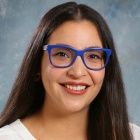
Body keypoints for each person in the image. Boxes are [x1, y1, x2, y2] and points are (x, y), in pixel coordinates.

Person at [0, 1, 140, 140]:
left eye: (93, 56)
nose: (78, 72)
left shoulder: (132, 135)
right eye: (62, 55)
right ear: (37, 65)